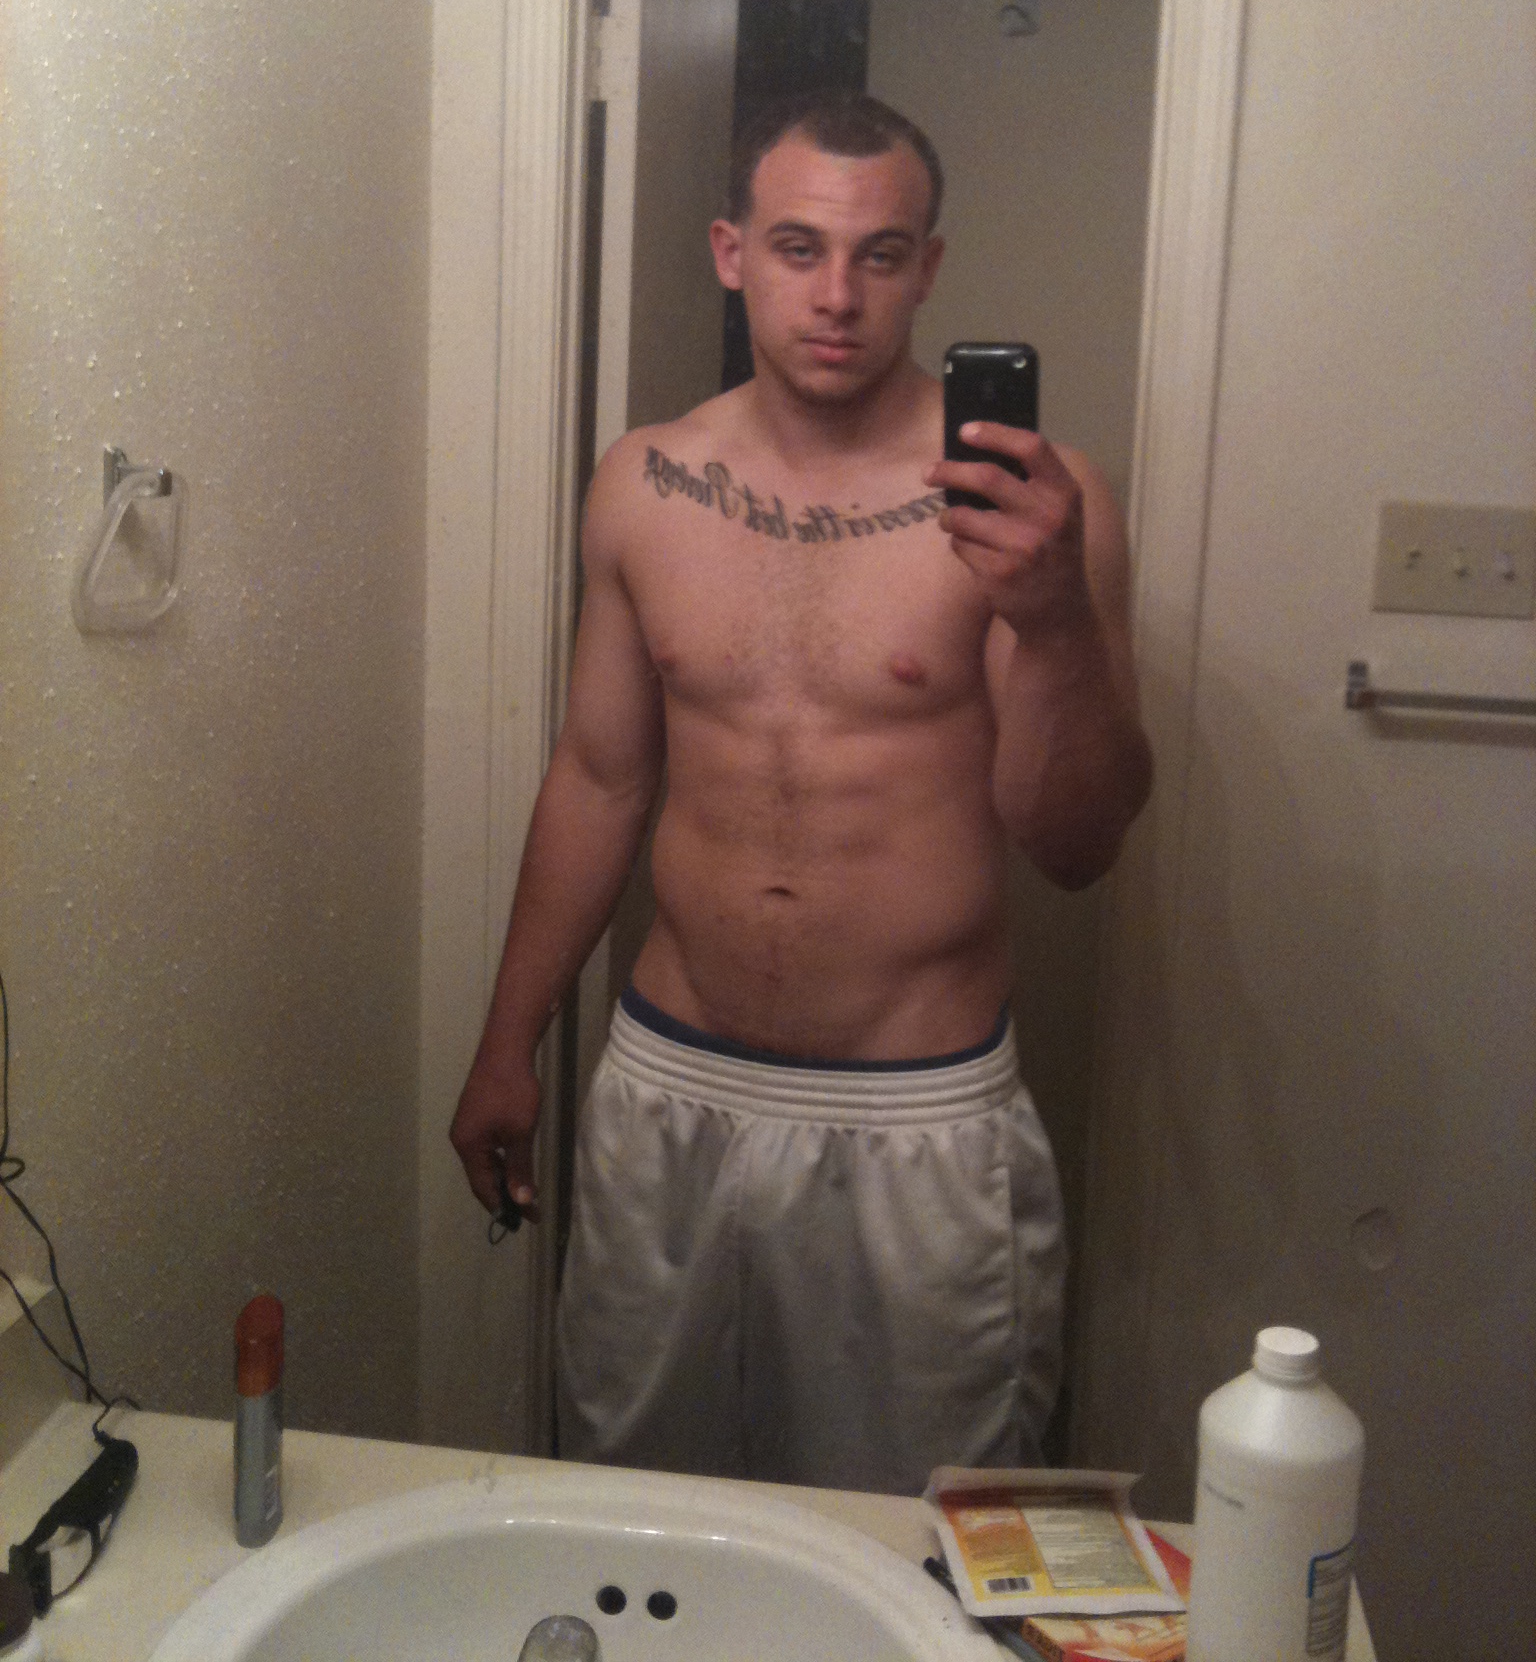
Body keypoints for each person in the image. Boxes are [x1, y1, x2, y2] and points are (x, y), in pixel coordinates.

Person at [450, 90, 1152, 1494]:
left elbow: (1074, 844)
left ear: (928, 269)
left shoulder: (1035, 502)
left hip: (917, 1116)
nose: (837, 296)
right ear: (731, 253)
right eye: (797, 248)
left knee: (921, 1537)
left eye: (880, 255)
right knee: (638, 1506)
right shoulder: (645, 483)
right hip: (668, 1083)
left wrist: (1058, 620)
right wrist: (507, 1039)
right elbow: (598, 779)